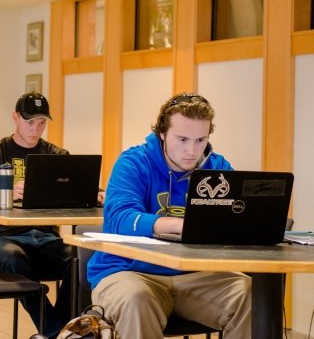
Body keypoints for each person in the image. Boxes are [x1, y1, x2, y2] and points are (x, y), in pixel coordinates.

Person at [87, 92, 251, 338]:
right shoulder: (133, 163)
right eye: (182, 139)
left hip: (197, 275)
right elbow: (121, 218)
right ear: (162, 133)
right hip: (128, 272)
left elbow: (235, 219)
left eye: (200, 140)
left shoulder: (218, 168)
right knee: (136, 300)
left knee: (249, 292)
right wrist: (177, 225)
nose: (191, 150)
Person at [0, 91, 102, 338]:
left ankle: (61, 328)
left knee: (82, 259)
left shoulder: (57, 155)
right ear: (15, 117)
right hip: (3, 239)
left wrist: (94, 193)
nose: (36, 129)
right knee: (12, 257)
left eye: (41, 123)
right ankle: (56, 332)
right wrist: (9, 191)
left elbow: (75, 190)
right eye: (30, 122)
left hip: (46, 238)